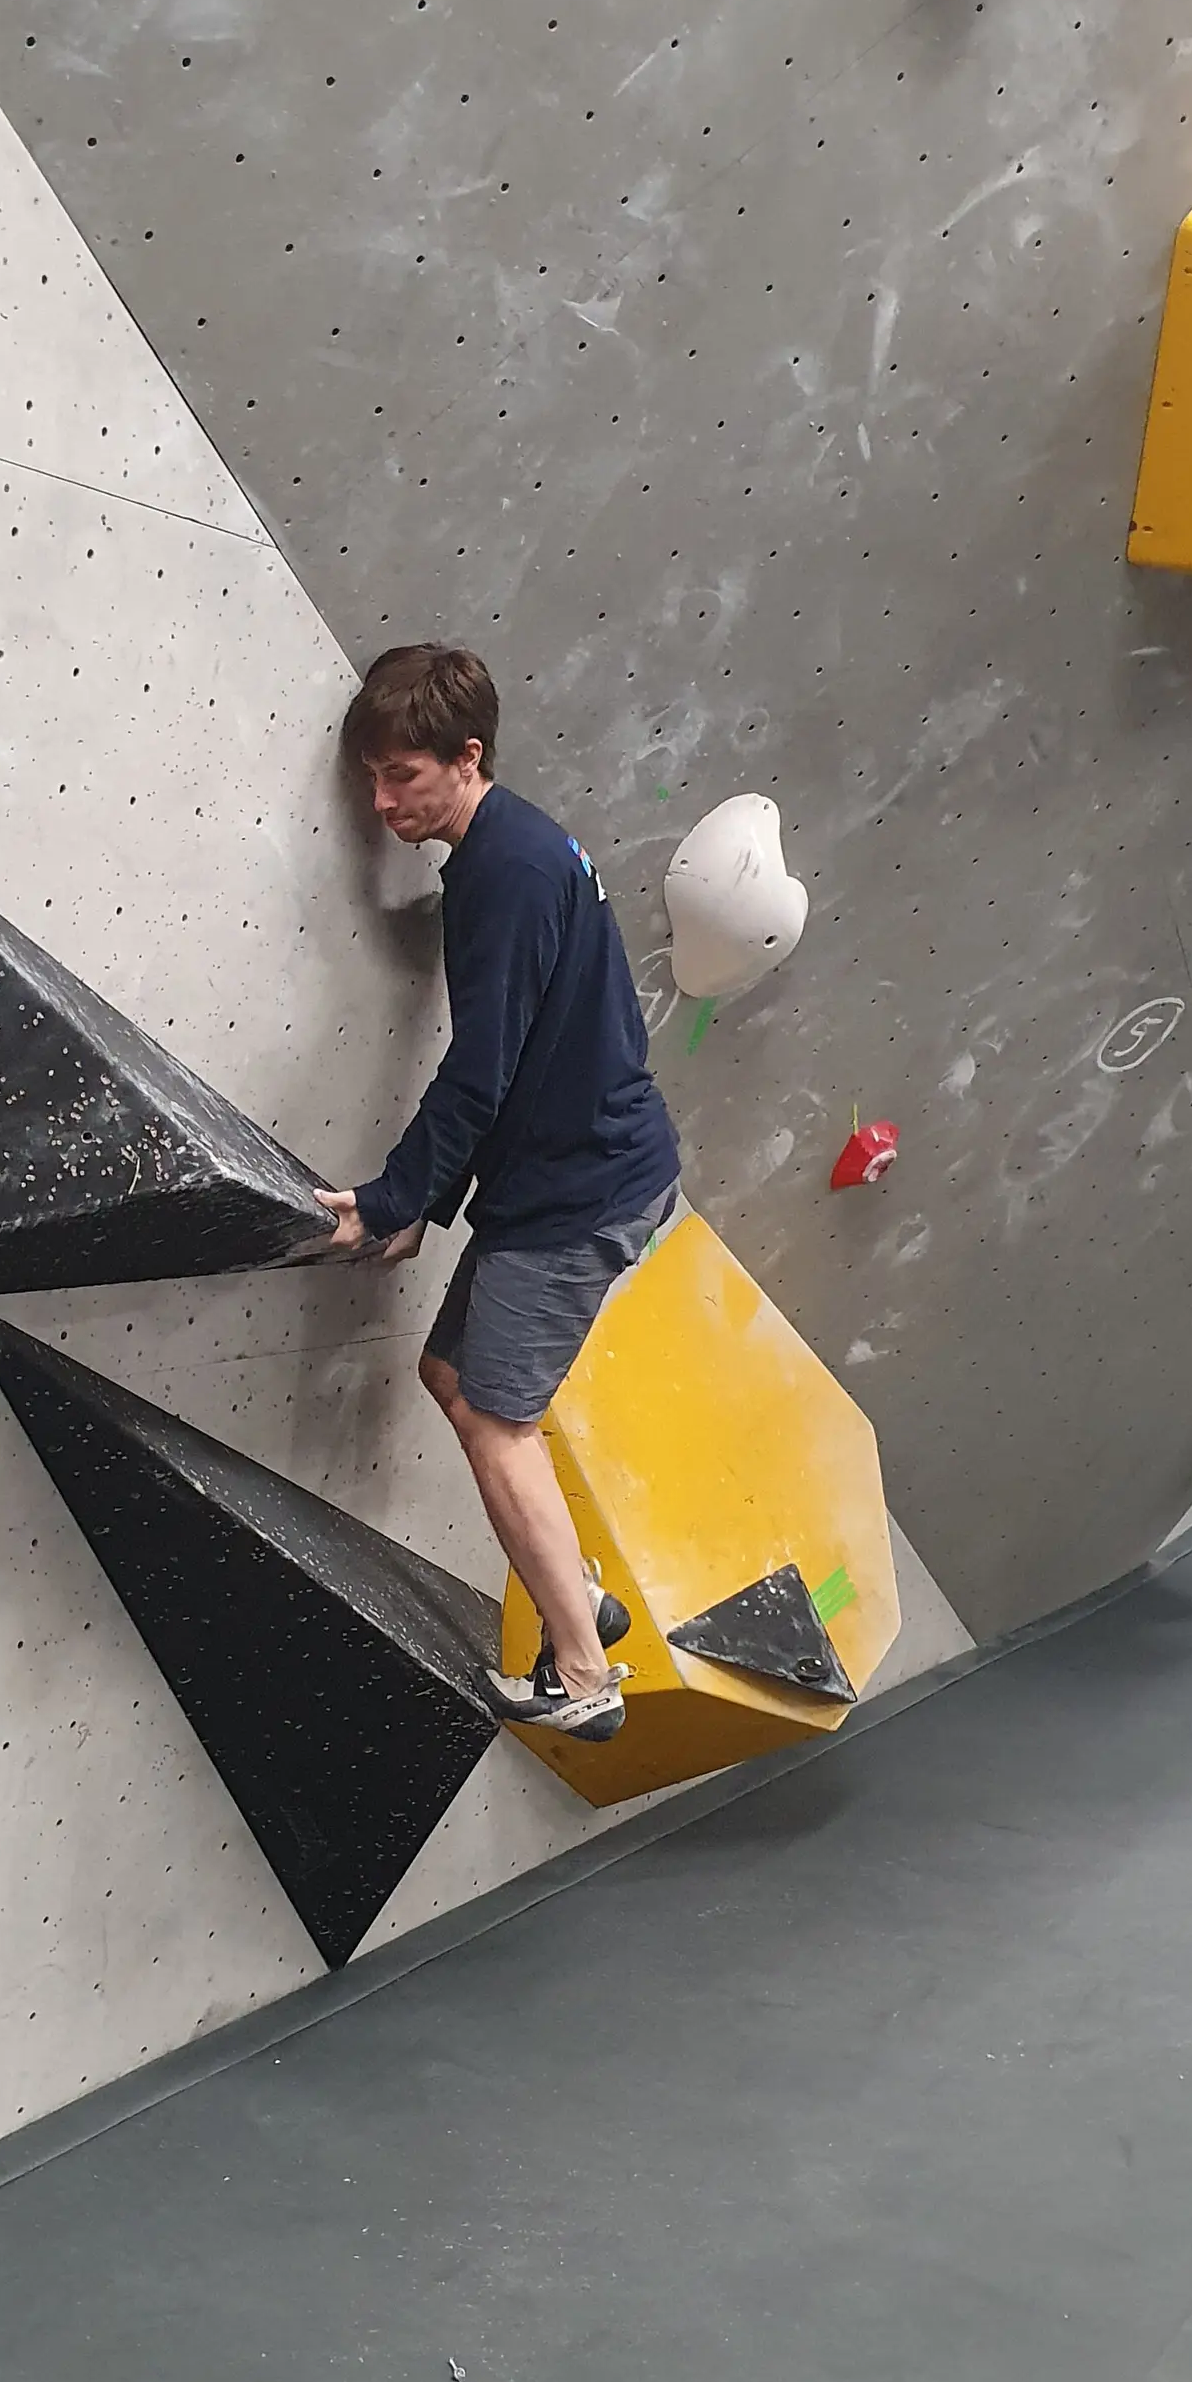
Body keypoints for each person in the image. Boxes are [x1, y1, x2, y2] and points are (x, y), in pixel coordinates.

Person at [318, 644, 682, 1741]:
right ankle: (583, 1590)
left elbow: (480, 1068)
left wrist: (390, 1199)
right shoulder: (507, 848)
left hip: (579, 1198)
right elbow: (515, 1062)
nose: (382, 804)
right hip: (557, 1177)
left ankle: (582, 1674)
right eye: (371, 780)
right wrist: (423, 1202)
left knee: (498, 1424)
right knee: (450, 1372)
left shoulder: (509, 877)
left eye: (402, 778)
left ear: (467, 757)